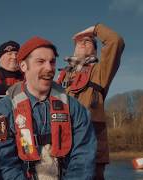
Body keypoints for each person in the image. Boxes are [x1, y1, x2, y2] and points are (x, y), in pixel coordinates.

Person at [0, 36, 97, 179]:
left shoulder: (74, 108)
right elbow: (5, 164)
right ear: (23, 66)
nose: (49, 68)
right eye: (41, 61)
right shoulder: (4, 109)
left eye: (52, 62)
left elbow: (83, 158)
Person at [57, 23, 125, 180]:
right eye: (79, 41)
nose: (82, 42)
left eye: (88, 41)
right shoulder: (61, 76)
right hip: (62, 147)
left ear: (95, 49)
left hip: (90, 146)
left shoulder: (101, 71)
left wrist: (94, 29)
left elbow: (116, 41)